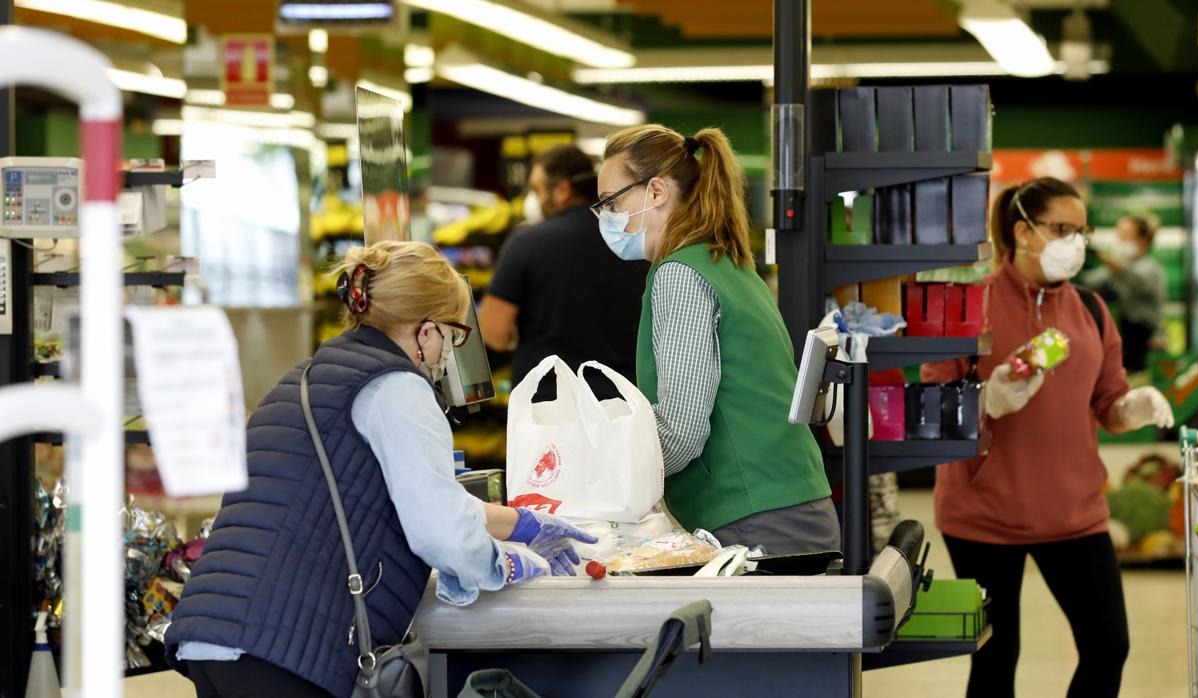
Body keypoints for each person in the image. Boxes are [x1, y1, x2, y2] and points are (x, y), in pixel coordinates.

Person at [164, 241, 595, 698]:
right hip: (285, 647)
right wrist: (503, 564)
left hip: (216, 633)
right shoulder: (398, 387)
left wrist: (519, 523)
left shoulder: (309, 376)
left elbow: (404, 493)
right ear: (426, 331)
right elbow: (440, 533)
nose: (449, 350)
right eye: (454, 334)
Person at [922, 178, 1175, 698]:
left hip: (1074, 514)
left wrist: (1134, 407)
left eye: (1082, 231)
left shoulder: (1092, 309)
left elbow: (1109, 404)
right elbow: (930, 407)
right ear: (1024, 231)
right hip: (982, 515)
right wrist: (984, 402)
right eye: (1062, 229)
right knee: (996, 658)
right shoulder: (970, 304)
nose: (1075, 243)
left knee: (1108, 645)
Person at [594, 124, 839, 555]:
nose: (606, 217)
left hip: (752, 520)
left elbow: (682, 431)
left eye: (612, 202)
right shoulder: (730, 264)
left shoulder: (680, 276)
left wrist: (608, 485)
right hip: (791, 504)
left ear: (656, 191)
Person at [480, 144, 650, 398]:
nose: (533, 198)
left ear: (561, 190)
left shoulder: (526, 243)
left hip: (547, 405)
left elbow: (494, 332)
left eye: (537, 189)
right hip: (622, 403)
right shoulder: (633, 242)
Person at [1084, 213, 1168, 372]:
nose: (1120, 241)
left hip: (1148, 341)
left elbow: (1136, 280)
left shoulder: (1151, 268)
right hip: (1128, 338)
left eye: (1126, 236)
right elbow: (1091, 282)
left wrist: (1105, 258)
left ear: (1142, 240)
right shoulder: (1115, 270)